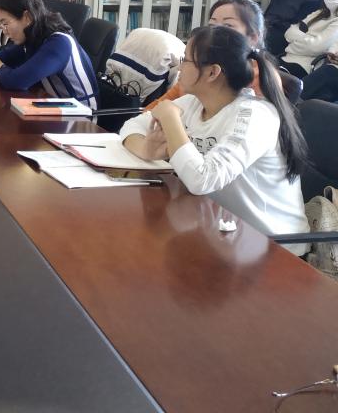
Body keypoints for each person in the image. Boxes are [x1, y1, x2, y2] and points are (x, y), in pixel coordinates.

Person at [120, 24, 309, 252]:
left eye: (186, 60)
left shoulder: (255, 117)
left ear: (212, 72)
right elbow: (130, 126)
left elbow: (203, 180)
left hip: (274, 248)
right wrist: (146, 150)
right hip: (222, 231)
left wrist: (170, 119)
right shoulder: (194, 102)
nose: (179, 66)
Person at [0, 0, 98, 109]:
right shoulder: (37, 35)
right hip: (55, 106)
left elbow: (17, 81)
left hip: (80, 116)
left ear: (27, 17)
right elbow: (9, 54)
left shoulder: (59, 43)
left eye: (5, 23)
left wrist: (0, 67)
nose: (4, 31)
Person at [144, 0, 269, 108]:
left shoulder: (258, 84)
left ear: (253, 38)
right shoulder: (198, 70)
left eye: (228, 26)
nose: (215, 32)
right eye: (212, 26)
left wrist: (170, 119)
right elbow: (153, 111)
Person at [280, 0, 338, 78]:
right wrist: (309, 39)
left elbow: (316, 47)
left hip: (304, 66)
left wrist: (296, 41)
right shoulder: (319, 12)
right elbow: (289, 32)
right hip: (286, 57)